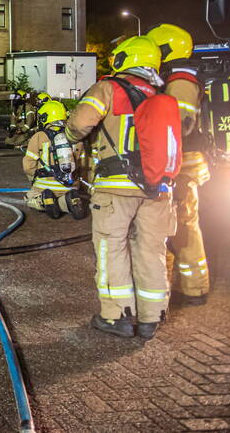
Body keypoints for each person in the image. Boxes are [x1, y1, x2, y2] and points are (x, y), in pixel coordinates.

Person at [65, 36, 177, 339]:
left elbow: (78, 125)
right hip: (158, 189)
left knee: (111, 248)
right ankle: (152, 316)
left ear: (126, 58)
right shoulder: (160, 94)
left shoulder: (108, 88)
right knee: (152, 251)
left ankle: (117, 317)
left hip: (116, 188)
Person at [147, 24, 210, 305]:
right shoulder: (175, 78)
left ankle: (194, 289)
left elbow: (180, 126)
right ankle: (186, 286)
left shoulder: (181, 80)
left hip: (184, 164)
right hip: (181, 162)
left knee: (184, 227)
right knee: (177, 227)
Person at [23, 100, 84, 218]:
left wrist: (33, 179)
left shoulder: (39, 136)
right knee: (65, 198)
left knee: (30, 198)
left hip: (44, 186)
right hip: (70, 185)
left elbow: (28, 165)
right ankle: (68, 202)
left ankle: (44, 201)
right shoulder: (75, 137)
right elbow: (82, 164)